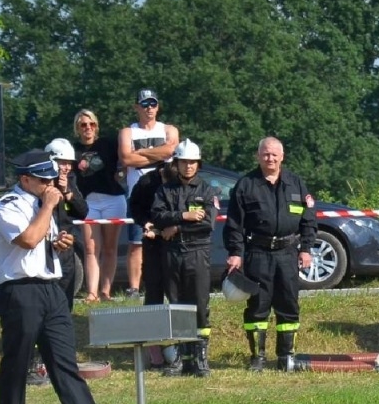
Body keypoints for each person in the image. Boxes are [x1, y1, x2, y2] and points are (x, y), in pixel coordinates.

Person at [0, 150, 130, 404]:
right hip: (21, 291)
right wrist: (50, 206)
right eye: (43, 180)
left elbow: (40, 242)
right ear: (25, 179)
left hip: (52, 290)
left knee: (65, 362)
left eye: (52, 179)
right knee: (17, 365)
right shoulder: (6, 206)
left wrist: (58, 243)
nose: (50, 185)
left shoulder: (43, 205)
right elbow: (27, 239)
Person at [223, 137, 317, 372]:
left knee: (289, 305)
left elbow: (308, 220)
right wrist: (235, 253)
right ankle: (258, 358)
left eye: (275, 154)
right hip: (258, 253)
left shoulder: (295, 183)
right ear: (258, 156)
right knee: (258, 306)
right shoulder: (246, 185)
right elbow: (234, 224)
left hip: (288, 253)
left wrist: (306, 249)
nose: (270, 158)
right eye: (266, 154)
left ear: (282, 156)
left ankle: (286, 357)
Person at [150, 141, 215, 377]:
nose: (189, 166)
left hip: (197, 252)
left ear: (198, 164)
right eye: (184, 162)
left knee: (199, 305)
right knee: (176, 304)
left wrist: (177, 227)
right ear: (176, 164)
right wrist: (183, 216)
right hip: (172, 253)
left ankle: (200, 358)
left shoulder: (207, 190)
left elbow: (207, 224)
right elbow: (157, 216)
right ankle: (180, 359)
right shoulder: (164, 191)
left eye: (193, 162)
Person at [118, 89, 180, 297]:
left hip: (166, 193)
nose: (149, 108)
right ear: (136, 107)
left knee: (168, 237)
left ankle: (169, 282)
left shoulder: (168, 129)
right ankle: (134, 287)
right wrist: (158, 154)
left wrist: (141, 153)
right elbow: (126, 159)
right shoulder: (128, 132)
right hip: (139, 194)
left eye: (153, 104)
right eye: (144, 104)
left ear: (158, 106)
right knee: (137, 242)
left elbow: (171, 151)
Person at [72, 108, 124, 302]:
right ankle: (92, 293)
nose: (88, 128)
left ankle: (105, 292)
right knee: (91, 248)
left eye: (91, 124)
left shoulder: (108, 143)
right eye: (83, 125)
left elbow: (126, 158)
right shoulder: (73, 150)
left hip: (112, 198)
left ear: (96, 126)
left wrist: (122, 172)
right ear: (77, 128)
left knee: (110, 248)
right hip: (87, 202)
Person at [45, 138, 90, 306]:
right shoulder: (39, 184)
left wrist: (67, 192)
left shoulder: (70, 182)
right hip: (45, 246)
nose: (67, 168)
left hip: (66, 246)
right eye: (63, 163)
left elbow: (83, 211)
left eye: (69, 163)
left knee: (66, 294)